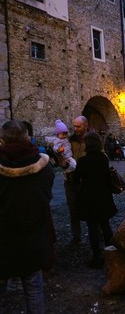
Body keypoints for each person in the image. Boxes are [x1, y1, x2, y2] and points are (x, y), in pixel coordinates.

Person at [0, 120, 55, 313]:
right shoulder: (44, 167)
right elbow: (46, 196)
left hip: (4, 239)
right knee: (33, 289)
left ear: (2, 140)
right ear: (27, 138)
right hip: (33, 237)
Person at [73, 131, 117, 269]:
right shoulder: (103, 158)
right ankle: (112, 255)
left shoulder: (83, 161)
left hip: (89, 197)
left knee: (92, 227)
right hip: (103, 195)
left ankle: (96, 257)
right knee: (105, 226)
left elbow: (76, 178)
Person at [63, 115, 89, 245]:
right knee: (73, 209)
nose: (75, 129)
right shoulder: (69, 140)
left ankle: (95, 234)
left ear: (85, 126)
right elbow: (64, 158)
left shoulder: (91, 140)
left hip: (86, 181)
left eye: (78, 126)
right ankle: (76, 237)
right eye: (74, 126)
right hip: (71, 180)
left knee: (90, 208)